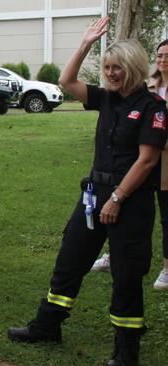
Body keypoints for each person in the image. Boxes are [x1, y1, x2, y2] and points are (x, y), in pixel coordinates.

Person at [7, 17, 167, 366]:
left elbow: (147, 160)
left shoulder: (153, 107)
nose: (110, 74)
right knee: (70, 260)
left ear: (134, 68)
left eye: (117, 68)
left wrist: (117, 198)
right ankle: (47, 326)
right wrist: (85, 45)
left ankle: (127, 350)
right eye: (107, 68)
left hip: (129, 200)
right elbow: (66, 82)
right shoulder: (107, 99)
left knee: (126, 274)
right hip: (94, 195)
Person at [91, 39, 168, 292]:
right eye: (160, 55)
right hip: (139, 164)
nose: (163, 60)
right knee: (126, 220)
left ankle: (166, 268)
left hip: (156, 160)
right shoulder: (150, 87)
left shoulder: (152, 103)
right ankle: (114, 256)